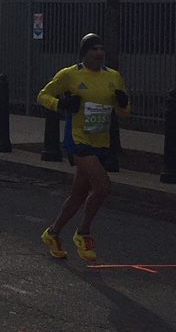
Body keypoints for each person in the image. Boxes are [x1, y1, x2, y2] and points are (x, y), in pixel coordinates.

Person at [37, 33, 130, 263]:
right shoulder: (69, 74)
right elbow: (43, 96)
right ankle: (83, 233)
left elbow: (124, 113)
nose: (99, 53)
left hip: (101, 141)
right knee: (103, 186)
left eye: (101, 49)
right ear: (84, 53)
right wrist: (62, 104)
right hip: (77, 139)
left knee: (78, 195)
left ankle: (53, 233)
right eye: (93, 49)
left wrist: (123, 103)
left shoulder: (114, 77)